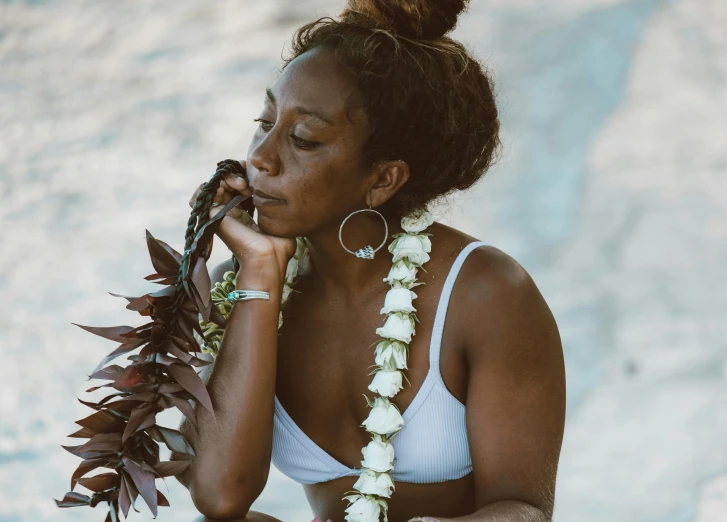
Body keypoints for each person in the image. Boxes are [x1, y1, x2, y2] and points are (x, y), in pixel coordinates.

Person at [176, 1, 566, 521]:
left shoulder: (486, 294)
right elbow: (221, 497)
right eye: (264, 122)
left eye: (303, 139)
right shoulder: (238, 289)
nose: (260, 159)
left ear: (383, 179)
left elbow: (525, 511)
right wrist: (260, 277)